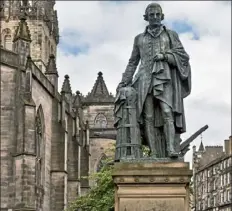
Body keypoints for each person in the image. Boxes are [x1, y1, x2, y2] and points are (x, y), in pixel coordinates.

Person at [116, 3, 191, 158]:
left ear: (161, 16)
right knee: (148, 116)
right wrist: (124, 81)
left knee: (167, 112)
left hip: (164, 78)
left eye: (158, 14)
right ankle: (154, 152)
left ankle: (171, 149)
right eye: (151, 15)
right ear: (146, 18)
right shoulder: (139, 39)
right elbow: (133, 62)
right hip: (144, 80)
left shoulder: (170, 35)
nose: (155, 17)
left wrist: (165, 56)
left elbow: (183, 56)